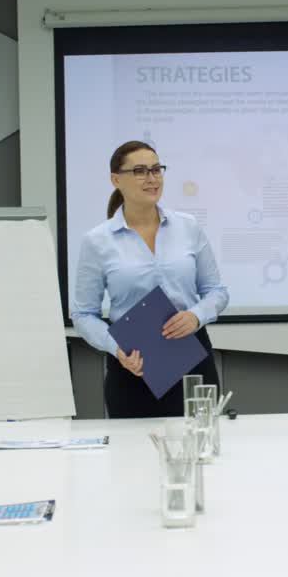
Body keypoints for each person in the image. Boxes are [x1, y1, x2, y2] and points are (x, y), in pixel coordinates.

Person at [71, 140, 229, 418]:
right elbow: (83, 314)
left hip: (190, 357)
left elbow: (216, 291)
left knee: (199, 448)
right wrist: (115, 348)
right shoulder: (97, 241)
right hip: (132, 364)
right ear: (115, 179)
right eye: (141, 171)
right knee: (132, 457)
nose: (152, 178)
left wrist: (195, 315)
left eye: (157, 169)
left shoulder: (188, 227)